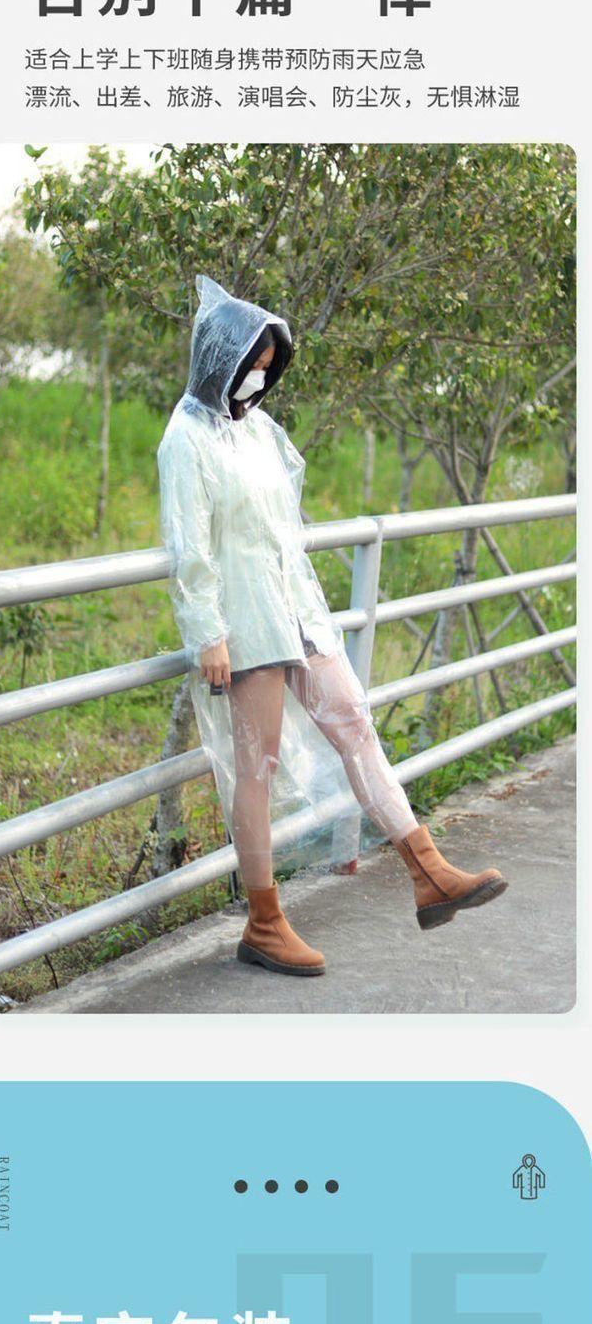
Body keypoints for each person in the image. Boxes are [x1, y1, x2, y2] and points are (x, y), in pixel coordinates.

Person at [157, 276, 507, 978]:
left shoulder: (258, 431)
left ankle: (429, 871)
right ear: (219, 359)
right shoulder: (185, 438)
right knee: (255, 768)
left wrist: (306, 611)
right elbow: (188, 546)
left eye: (267, 365)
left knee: (353, 721)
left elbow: (283, 530)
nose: (259, 376)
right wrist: (207, 632)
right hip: (244, 623)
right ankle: (264, 923)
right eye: (251, 362)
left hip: (295, 611)